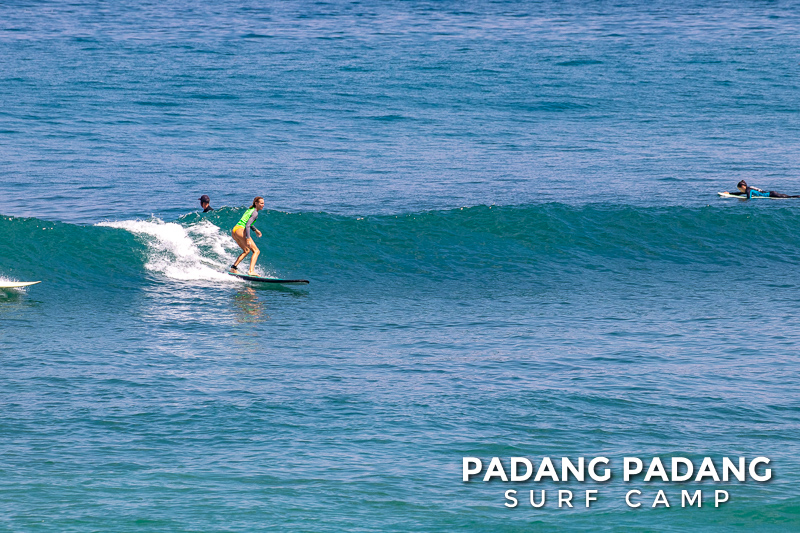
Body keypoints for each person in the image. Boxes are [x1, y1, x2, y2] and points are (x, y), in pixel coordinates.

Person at [231, 197, 264, 275]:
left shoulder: (250, 210)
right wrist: (248, 238)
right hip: (241, 230)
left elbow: (247, 222)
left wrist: (255, 230)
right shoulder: (255, 213)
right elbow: (247, 225)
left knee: (246, 251)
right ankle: (251, 271)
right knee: (256, 251)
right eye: (261, 203)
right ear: (256, 203)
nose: (263, 205)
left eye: (263, 203)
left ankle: (233, 268)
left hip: (235, 229)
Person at [726, 180, 800, 199]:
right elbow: (740, 193)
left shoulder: (748, 190)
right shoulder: (748, 189)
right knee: (788, 196)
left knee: (789, 197)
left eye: (739, 189)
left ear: (743, 186)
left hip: (771, 194)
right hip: (771, 193)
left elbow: (749, 198)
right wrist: (729, 193)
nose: (740, 190)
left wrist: (744, 201)